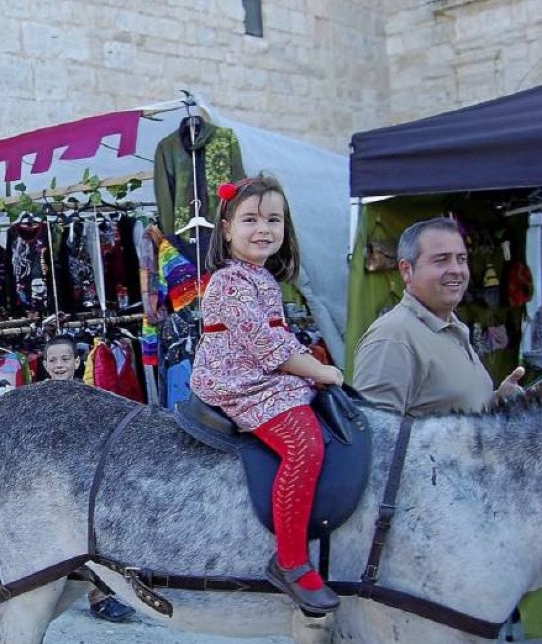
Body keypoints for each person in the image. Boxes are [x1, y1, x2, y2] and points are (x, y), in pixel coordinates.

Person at [189, 175, 343, 614]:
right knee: (304, 444)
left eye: (273, 219)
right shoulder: (229, 282)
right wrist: (320, 369)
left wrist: (311, 364)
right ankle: (291, 561)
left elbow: (280, 339)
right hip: (240, 380)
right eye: (251, 219)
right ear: (227, 227)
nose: (264, 229)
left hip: (260, 372)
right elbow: (268, 347)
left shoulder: (261, 277)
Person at [352, 217, 524, 417]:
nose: (456, 270)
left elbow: (455, 410)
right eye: (441, 260)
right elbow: (374, 435)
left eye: (461, 259)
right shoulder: (393, 337)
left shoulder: (452, 325)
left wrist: (497, 400)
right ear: (407, 270)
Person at [41, 335, 138, 623]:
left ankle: (100, 596)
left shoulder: (90, 397)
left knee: (91, 540)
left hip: (85, 481)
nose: (60, 365)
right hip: (49, 481)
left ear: (77, 362)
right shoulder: (36, 399)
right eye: (53, 360)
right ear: (45, 365)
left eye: (65, 359)